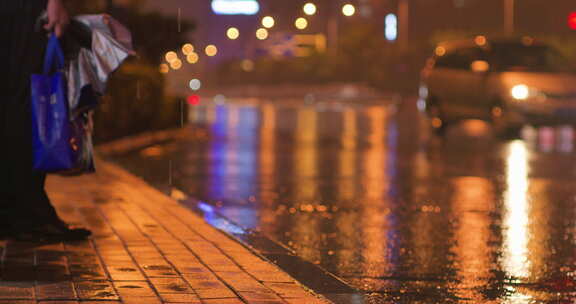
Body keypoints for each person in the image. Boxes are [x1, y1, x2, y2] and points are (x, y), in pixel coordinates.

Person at [0, 0, 91, 241]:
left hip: (22, 12)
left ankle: (22, 209)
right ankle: (22, 211)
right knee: (20, 103)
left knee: (24, 102)